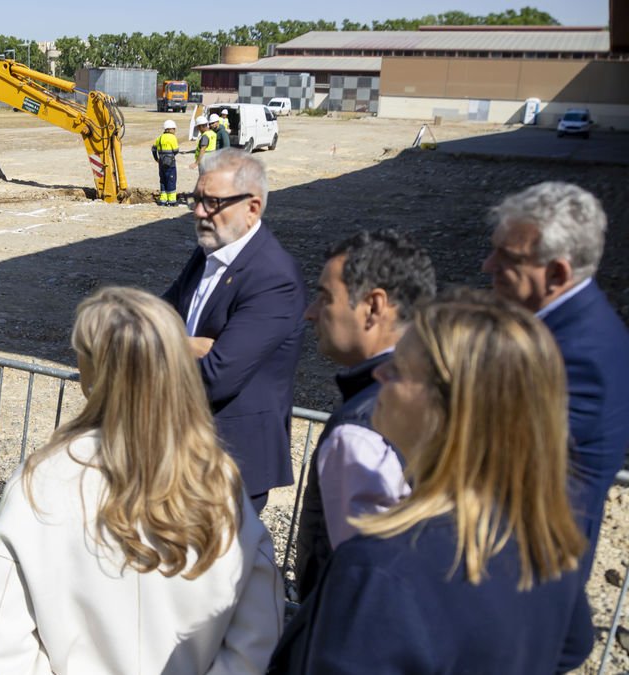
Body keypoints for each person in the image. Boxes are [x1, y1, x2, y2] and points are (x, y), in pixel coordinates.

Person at [268, 291, 593, 674]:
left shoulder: (383, 566)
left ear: (454, 409)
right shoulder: (545, 540)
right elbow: (574, 646)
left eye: (401, 369)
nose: (379, 374)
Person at [0, 287, 283, 674]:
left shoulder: (38, 481)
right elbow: (257, 634)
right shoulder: (217, 478)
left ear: (94, 372)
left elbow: (5, 645)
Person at [482, 181, 629, 576]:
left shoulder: (580, 357)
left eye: (506, 256)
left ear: (556, 273)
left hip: (523, 574)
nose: (488, 266)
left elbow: (495, 463)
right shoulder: (564, 328)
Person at [293, 229, 435, 600]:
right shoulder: (437, 388)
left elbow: (362, 585)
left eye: (325, 298)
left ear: (373, 306)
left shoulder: (360, 434)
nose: (310, 313)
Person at [161, 149, 306, 512]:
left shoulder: (273, 277)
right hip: (184, 454)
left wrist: (160, 349)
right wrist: (189, 345)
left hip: (230, 467)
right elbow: (156, 317)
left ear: (252, 208)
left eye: (212, 202)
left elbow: (216, 377)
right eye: (196, 199)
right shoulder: (208, 252)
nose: (198, 212)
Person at [151, 119, 180, 206]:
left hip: (161, 162)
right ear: (170, 129)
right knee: (171, 180)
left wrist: (156, 158)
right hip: (170, 163)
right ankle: (172, 201)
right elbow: (176, 150)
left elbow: (153, 149)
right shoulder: (172, 137)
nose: (175, 131)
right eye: (174, 129)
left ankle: (163, 200)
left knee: (163, 180)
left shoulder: (159, 138)